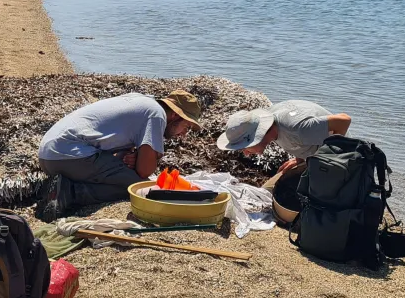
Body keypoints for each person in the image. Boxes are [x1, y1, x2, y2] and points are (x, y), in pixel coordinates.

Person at [35, 89, 203, 220]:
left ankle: (63, 184)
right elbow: (145, 171)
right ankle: (71, 192)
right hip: (70, 154)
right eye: (186, 127)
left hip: (49, 155)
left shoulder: (142, 102)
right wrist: (144, 158)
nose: (183, 134)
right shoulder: (156, 115)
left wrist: (132, 157)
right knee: (139, 188)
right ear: (175, 115)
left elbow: (117, 152)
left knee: (127, 178)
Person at [216, 101, 351, 224]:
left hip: (338, 164)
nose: (245, 153)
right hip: (311, 159)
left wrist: (331, 159)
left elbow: (344, 121)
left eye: (245, 147)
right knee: (266, 193)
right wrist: (300, 157)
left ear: (257, 137)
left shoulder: (298, 129)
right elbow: (302, 140)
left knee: (295, 214)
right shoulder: (268, 122)